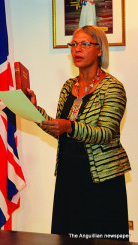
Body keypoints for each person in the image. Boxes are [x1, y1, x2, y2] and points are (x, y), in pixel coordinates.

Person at [28, 25, 130, 240]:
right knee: (67, 238)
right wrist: (33, 110)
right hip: (69, 177)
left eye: (85, 44)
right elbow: (61, 130)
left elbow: (107, 133)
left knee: (101, 240)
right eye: (74, 44)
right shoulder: (68, 86)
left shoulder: (112, 87)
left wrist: (69, 126)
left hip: (101, 180)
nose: (77, 49)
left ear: (99, 50)